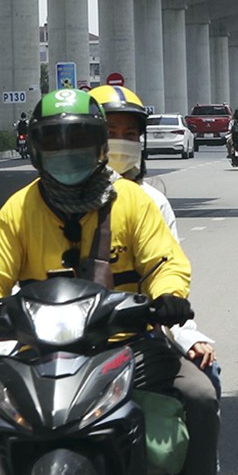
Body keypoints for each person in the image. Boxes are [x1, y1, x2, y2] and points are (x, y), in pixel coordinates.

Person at [0, 88, 225, 475]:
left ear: (99, 149)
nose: (67, 154)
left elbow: (165, 261)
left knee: (201, 395)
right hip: (41, 348)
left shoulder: (135, 202)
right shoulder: (19, 209)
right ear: (36, 151)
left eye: (79, 142)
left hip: (130, 346)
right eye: (56, 143)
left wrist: (170, 296)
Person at [90, 85, 217, 384]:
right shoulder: (38, 201)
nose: (120, 142)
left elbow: (166, 268)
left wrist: (183, 331)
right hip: (59, 340)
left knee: (200, 388)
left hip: (134, 336)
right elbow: (11, 274)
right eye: (110, 132)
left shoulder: (149, 200)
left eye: (130, 135)